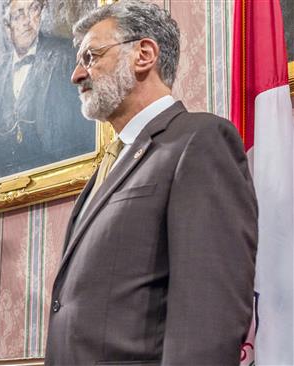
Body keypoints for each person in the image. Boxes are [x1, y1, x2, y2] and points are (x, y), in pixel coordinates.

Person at [45, 1, 258, 365]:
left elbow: (208, 314)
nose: (77, 75)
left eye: (91, 56)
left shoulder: (199, 142)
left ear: (144, 55)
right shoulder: (112, 162)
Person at [0, 0, 95, 188]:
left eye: (34, 9)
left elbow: (88, 130)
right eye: (18, 15)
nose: (27, 21)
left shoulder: (66, 58)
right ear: (8, 27)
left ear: (42, 13)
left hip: (57, 182)